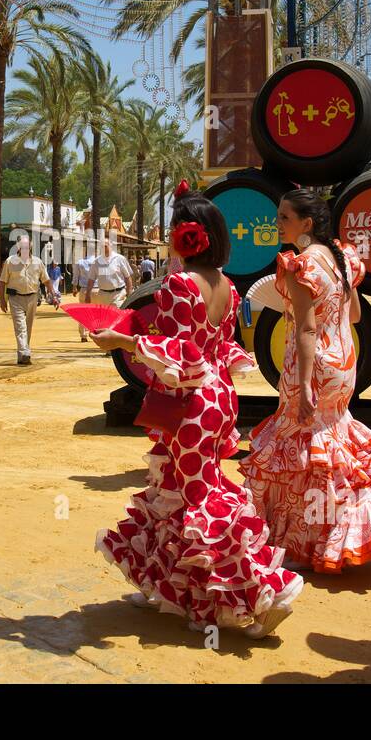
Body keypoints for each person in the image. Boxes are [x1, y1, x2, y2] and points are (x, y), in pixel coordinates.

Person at [89, 184, 302, 639]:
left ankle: (262, 594)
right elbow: (220, 349)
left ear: (188, 236)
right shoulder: (227, 283)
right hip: (218, 397)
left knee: (197, 498)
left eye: (173, 229)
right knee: (175, 488)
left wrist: (123, 340)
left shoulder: (181, 284)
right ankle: (165, 589)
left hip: (190, 404)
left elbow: (180, 354)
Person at [242, 189, 371, 572]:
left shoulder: (299, 265)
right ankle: (339, 528)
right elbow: (354, 315)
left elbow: (306, 331)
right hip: (343, 363)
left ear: (306, 224)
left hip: (311, 366)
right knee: (332, 443)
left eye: (284, 218)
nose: (278, 224)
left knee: (301, 449)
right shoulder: (342, 259)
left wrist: (304, 384)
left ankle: (307, 539)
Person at [0, 236, 59, 365]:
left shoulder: (37, 262)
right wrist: (2, 300)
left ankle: (23, 352)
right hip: (16, 298)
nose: (25, 249)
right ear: (18, 247)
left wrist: (54, 295)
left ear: (30, 247)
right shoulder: (10, 262)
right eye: (22, 246)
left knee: (28, 327)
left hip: (32, 298)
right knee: (20, 327)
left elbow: (46, 280)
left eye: (27, 246)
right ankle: (24, 351)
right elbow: (2, 282)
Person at [84, 238, 133, 308]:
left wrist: (129, 293)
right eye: (101, 246)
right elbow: (91, 279)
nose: (103, 248)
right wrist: (88, 294)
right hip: (102, 295)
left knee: (116, 315)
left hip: (118, 294)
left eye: (105, 246)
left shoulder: (120, 259)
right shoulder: (96, 261)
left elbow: (127, 277)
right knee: (104, 318)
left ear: (111, 246)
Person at [73, 252, 95, 342]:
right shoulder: (98, 261)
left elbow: (75, 276)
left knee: (83, 312)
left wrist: (74, 287)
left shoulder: (80, 262)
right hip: (96, 289)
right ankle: (96, 333)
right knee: (97, 313)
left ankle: (83, 335)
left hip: (84, 289)